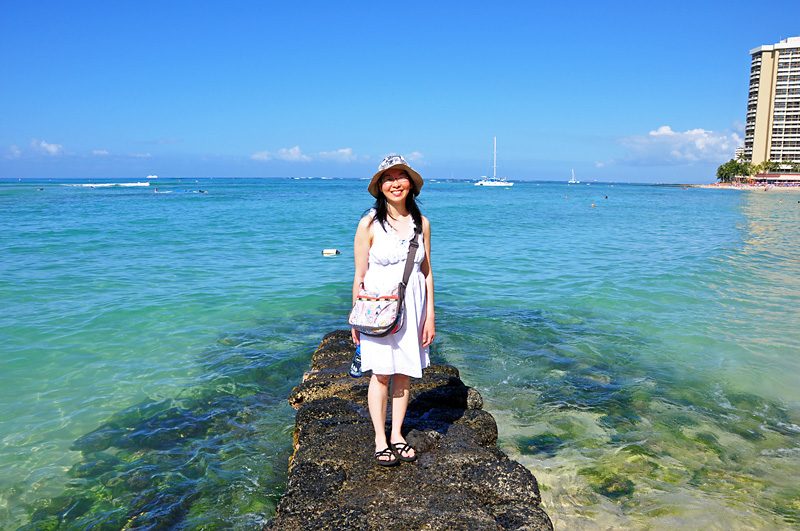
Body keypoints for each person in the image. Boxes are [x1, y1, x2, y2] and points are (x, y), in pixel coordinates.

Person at [351, 155, 435, 466]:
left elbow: (427, 272)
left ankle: (397, 434)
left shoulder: (421, 224)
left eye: (401, 177)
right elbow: (360, 274)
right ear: (380, 186)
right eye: (388, 178)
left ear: (411, 184)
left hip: (413, 306)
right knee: (381, 373)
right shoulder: (369, 223)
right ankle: (379, 438)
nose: (395, 183)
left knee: (404, 372)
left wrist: (430, 316)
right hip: (378, 308)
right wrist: (355, 319)